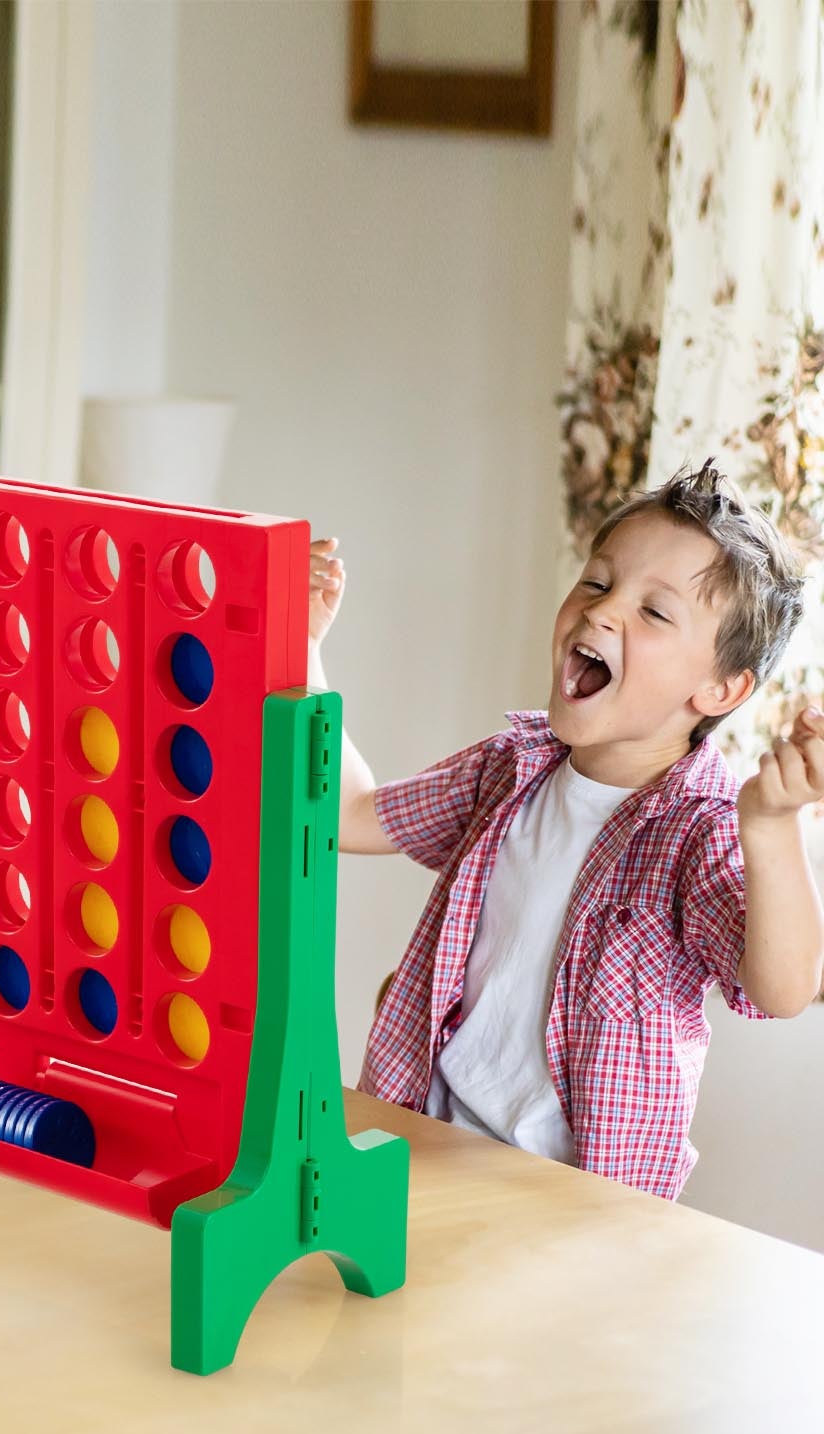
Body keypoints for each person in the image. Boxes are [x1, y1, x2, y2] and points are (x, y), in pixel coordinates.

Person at [310, 461, 822, 1199]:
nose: (602, 612)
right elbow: (349, 814)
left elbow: (780, 988)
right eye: (597, 581)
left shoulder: (697, 831)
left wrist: (770, 826)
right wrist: (305, 649)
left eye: (654, 612)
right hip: (424, 1139)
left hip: (579, 1204)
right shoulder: (508, 768)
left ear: (718, 689)